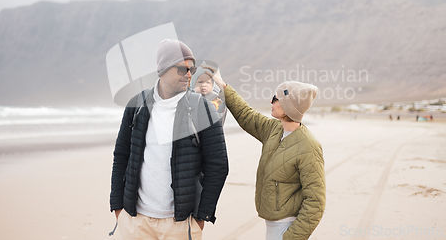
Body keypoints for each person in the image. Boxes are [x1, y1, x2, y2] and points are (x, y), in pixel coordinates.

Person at [110, 40, 229, 240]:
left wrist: (202, 216)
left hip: (180, 225)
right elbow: (121, 155)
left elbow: (218, 165)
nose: (190, 75)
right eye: (183, 69)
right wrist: (117, 207)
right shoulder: (137, 105)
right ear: (163, 70)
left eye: (192, 69)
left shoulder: (203, 109)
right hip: (135, 221)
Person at [205, 66, 326, 240]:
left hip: (287, 227)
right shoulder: (273, 129)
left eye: (276, 98)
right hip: (272, 225)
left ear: (289, 107)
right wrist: (223, 85)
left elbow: (315, 202)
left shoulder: (309, 146)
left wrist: (289, 237)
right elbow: (246, 115)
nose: (271, 102)